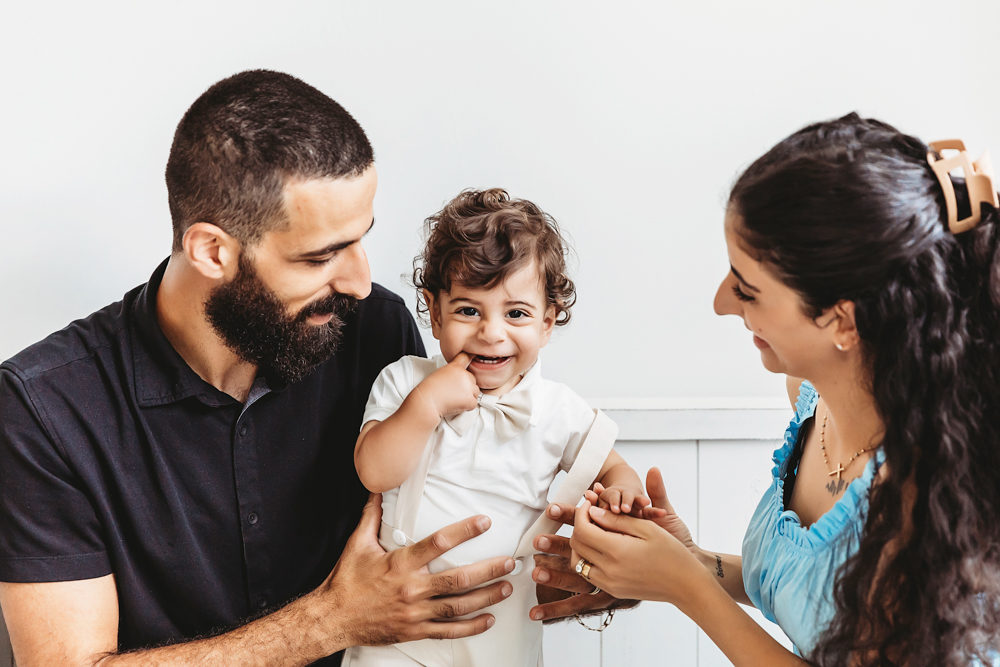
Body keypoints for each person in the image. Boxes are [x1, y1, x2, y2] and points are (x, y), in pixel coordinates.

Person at [0, 70, 612, 667]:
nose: (360, 280)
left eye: (360, 238)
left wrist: (598, 570)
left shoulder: (371, 328)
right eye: (321, 256)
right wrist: (332, 621)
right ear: (212, 250)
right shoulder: (43, 409)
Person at [532, 114, 1000, 665]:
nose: (721, 303)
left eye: (748, 290)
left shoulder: (928, 493)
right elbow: (820, 597)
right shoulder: (811, 396)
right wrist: (688, 560)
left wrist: (687, 586)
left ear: (843, 322)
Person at [346, 189, 656, 666]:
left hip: (504, 616)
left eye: (516, 314)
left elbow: (612, 467)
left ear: (548, 322)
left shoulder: (558, 409)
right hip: (399, 618)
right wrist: (426, 405)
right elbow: (375, 472)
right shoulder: (405, 380)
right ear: (434, 311)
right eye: (469, 310)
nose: (491, 332)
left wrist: (623, 491)